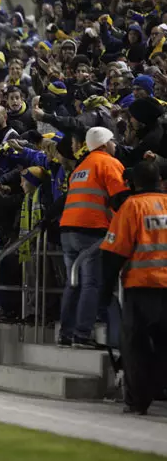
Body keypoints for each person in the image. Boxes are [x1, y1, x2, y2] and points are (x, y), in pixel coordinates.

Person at [100, 161, 167, 415]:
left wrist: (104, 291)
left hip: (142, 286)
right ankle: (157, 388)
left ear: (134, 183)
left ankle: (139, 400)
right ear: (160, 179)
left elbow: (114, 253)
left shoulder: (132, 206)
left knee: (135, 346)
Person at [58, 127, 129, 348]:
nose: (115, 145)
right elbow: (121, 199)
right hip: (91, 230)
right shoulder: (108, 163)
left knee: (73, 283)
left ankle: (66, 333)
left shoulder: (81, 166)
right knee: (91, 284)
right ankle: (82, 334)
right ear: (104, 143)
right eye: (113, 141)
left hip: (68, 231)